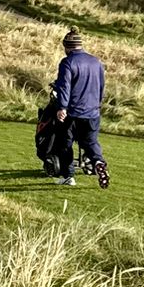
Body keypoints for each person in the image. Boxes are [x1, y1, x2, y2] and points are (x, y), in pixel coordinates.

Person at [52, 28, 109, 188]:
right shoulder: (96, 62)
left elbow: (64, 87)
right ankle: (98, 161)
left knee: (65, 143)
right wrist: (98, 103)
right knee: (90, 141)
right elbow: (101, 86)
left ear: (68, 46)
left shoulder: (67, 62)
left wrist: (62, 107)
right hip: (93, 111)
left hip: (73, 112)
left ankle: (68, 176)